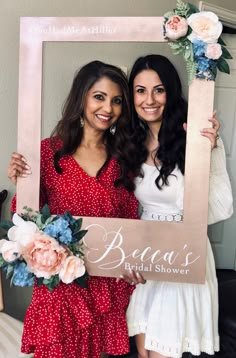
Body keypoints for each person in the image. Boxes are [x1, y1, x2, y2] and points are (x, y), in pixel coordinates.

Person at [7, 60, 142, 358]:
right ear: (81, 98)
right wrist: (21, 180)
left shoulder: (124, 159)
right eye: (99, 96)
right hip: (60, 288)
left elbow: (131, 224)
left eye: (117, 100)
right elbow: (24, 218)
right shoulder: (46, 151)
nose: (108, 107)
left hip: (105, 287)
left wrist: (136, 262)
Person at [126, 54, 234, 358]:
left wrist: (209, 153)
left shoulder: (196, 137)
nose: (149, 99)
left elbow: (222, 207)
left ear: (171, 92)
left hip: (183, 253)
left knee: (164, 351)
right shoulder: (127, 141)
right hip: (145, 256)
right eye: (140, 90)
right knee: (144, 352)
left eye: (158, 90)